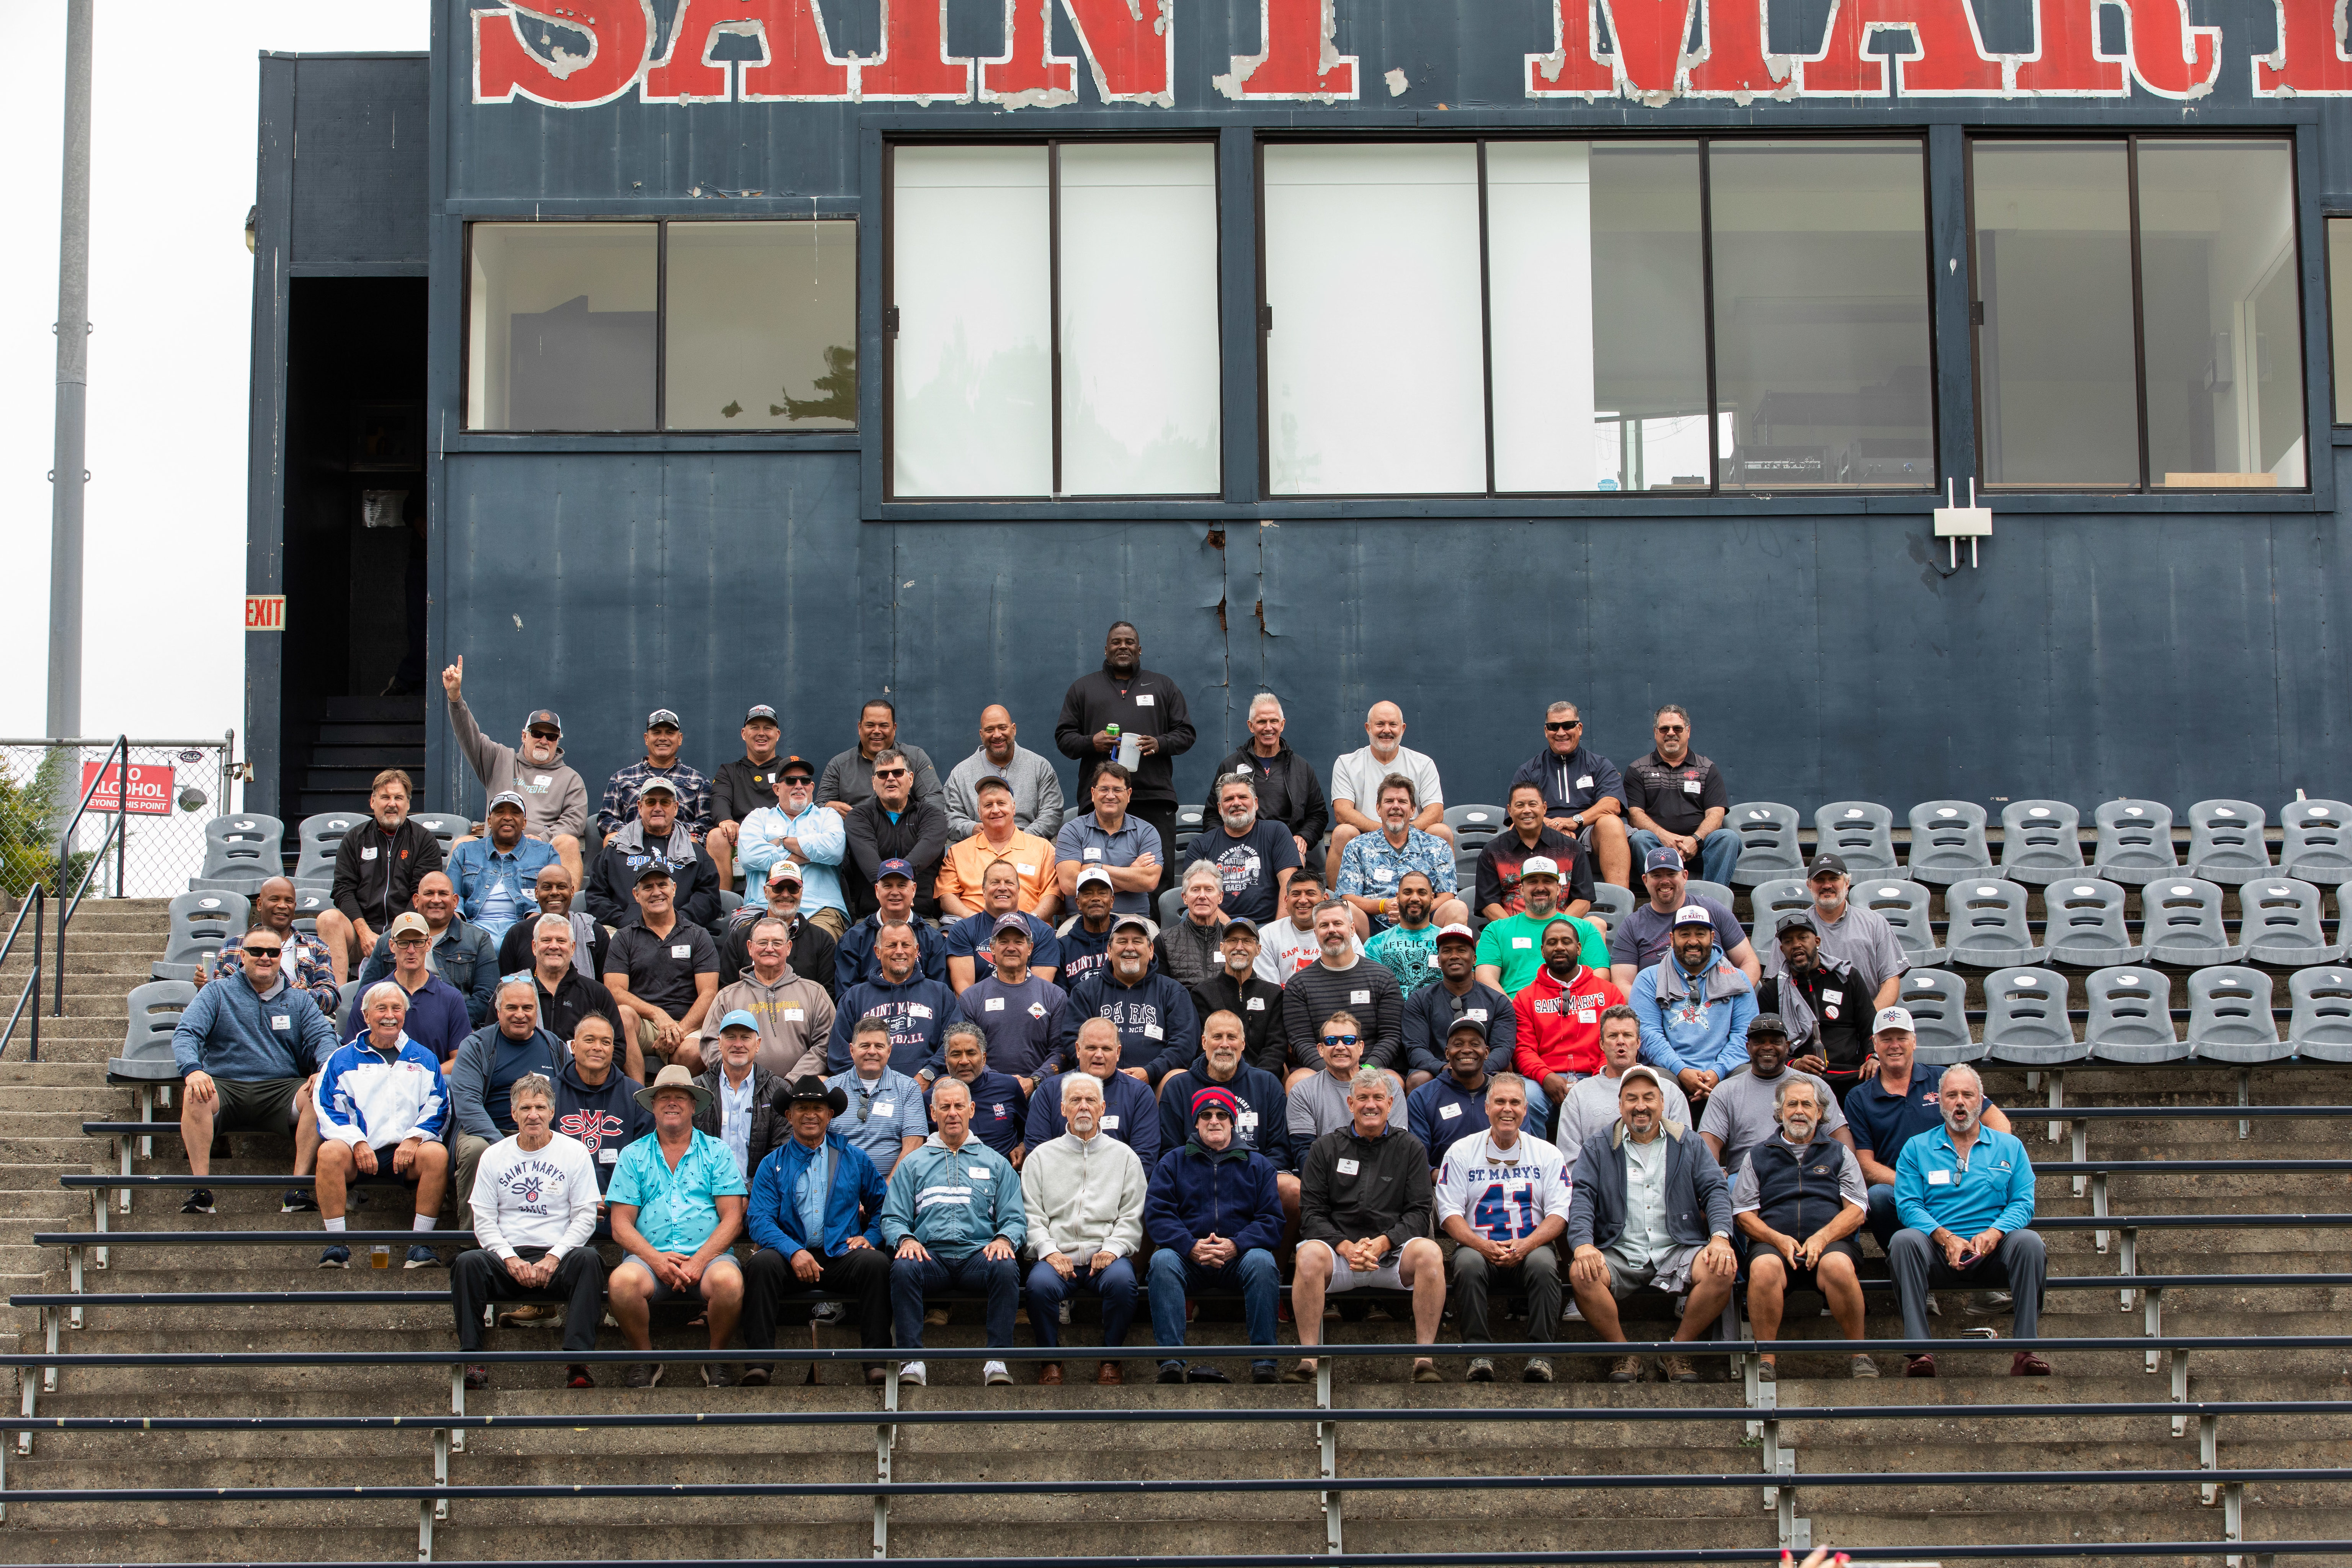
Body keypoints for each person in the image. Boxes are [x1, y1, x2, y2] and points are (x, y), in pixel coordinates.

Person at [1565, 1065, 1738, 1384]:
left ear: (1662, 1102)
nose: (1640, 1106)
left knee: (1722, 1267)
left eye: (1649, 1098)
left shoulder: (1689, 1142)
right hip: (1620, 1249)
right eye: (1631, 1098)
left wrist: (1720, 1237)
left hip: (1678, 1247)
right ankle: (1623, 1352)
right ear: (1620, 1105)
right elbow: (1582, 1198)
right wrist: (1583, 1244)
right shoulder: (1599, 1146)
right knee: (1581, 1273)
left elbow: (1715, 1190)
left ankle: (1678, 1350)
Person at [1889, 1063, 2049, 1378]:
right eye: (1951, 1095)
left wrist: (1995, 1232)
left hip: (1993, 1253)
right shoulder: (1916, 1148)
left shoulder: (2010, 1147)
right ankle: (1921, 1353)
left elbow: (2023, 1203)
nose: (1960, 1102)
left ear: (1980, 1100)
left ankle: (2025, 1351)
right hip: (1938, 1253)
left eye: (1967, 1095)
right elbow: (1908, 1205)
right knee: (1903, 1241)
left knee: (2030, 1242)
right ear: (1940, 1102)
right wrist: (1944, 1237)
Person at [1288, 1068, 1442, 1385]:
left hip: (1392, 1253)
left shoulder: (1411, 1148)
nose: (1369, 1105)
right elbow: (1313, 1213)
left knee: (1430, 1252)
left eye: (1377, 1099)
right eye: (1362, 1098)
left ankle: (1424, 1360)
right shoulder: (1325, 1148)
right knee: (1307, 1256)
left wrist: (1386, 1242)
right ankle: (1308, 1359)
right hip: (1339, 1255)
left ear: (1389, 1104)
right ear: (1350, 1103)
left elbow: (1419, 1211)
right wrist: (1344, 1246)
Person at [451, 1071, 602, 1388]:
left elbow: (586, 1216)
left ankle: (577, 1364)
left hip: (558, 1258)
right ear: (513, 1114)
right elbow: (483, 1218)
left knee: (589, 1259)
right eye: (525, 1109)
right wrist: (509, 1258)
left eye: (539, 1107)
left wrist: (554, 1257)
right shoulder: (494, 1156)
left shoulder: (574, 1152)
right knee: (467, 1263)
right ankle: (473, 1360)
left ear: (552, 1111)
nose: (533, 1115)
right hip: (508, 1259)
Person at [170, 925, 335, 1217]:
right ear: (243, 956)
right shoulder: (217, 992)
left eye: (272, 952)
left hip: (281, 1088)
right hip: (224, 1084)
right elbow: (186, 1033)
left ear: (280, 957)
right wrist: (192, 1069)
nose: (265, 958)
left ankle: (298, 1190)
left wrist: (325, 1068)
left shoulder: (299, 1000)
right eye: (257, 952)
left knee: (319, 1093)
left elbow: (324, 1038)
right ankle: (201, 1189)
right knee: (195, 1093)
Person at [742, 1075, 893, 1387]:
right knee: (761, 1264)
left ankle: (877, 1364)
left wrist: (872, 1237)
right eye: (802, 1108)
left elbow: (886, 1207)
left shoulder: (854, 1158)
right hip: (790, 1258)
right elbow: (758, 1220)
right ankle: (758, 1365)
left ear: (830, 1115)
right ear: (789, 1116)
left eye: (818, 1108)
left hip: (840, 1254)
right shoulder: (772, 1164)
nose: (810, 1114)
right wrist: (793, 1251)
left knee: (876, 1263)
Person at [607, 1064, 751, 1388]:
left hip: (710, 1259)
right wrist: (657, 1261)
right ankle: (644, 1360)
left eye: (680, 1098)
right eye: (664, 1098)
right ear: (653, 1106)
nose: (672, 1103)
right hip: (649, 1259)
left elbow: (733, 1218)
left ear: (694, 1106)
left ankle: (717, 1360)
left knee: (729, 1281)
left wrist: (700, 1261)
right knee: (621, 1283)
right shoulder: (633, 1155)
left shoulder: (717, 1152)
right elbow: (620, 1224)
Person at [882, 1075, 1027, 1388]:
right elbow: (893, 1217)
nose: (952, 1113)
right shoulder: (913, 1164)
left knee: (1006, 1265)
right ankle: (912, 1362)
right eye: (944, 1107)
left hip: (979, 1256)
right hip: (930, 1257)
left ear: (972, 1110)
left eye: (959, 1106)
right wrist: (905, 1239)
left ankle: (997, 1361)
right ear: (932, 1114)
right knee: (903, 1266)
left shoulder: (996, 1163)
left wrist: (1004, 1238)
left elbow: (1015, 1219)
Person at [1731, 1075, 1875, 1382]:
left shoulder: (1839, 1153)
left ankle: (1860, 1354)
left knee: (1838, 1265)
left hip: (1831, 1243)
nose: (1799, 1111)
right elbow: (1743, 1214)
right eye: (1791, 1104)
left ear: (1820, 1112)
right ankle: (1766, 1359)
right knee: (1765, 1268)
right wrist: (1777, 1239)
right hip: (1774, 1243)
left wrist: (1823, 1237)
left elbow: (1858, 1210)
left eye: (1807, 1104)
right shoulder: (1758, 1155)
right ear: (1780, 1112)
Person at [1146, 1085, 1287, 1385]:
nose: (1214, 1121)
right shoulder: (1172, 1162)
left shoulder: (1258, 1165)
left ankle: (1264, 1363)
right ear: (1195, 1122)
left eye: (1222, 1115)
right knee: (1162, 1261)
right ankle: (1171, 1362)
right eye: (1206, 1115)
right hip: (1189, 1259)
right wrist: (1190, 1246)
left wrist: (1238, 1245)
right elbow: (1158, 1216)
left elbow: (1272, 1220)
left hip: (1239, 1259)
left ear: (1233, 1122)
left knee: (1263, 1262)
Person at [1843, 1006, 2012, 1254]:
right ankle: (1913, 1266)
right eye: (1886, 1039)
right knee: (1879, 1196)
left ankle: (1979, 1266)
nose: (1895, 1046)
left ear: (1914, 1041)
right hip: (1901, 1185)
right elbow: (1865, 1163)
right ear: (1875, 1045)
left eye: (1901, 1038)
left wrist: (1979, 1167)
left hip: (1956, 1178)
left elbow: (1998, 1122)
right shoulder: (1859, 1097)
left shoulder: (1943, 1079)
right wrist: (1914, 1183)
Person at [1436, 1073, 1571, 1383]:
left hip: (1531, 1245)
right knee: (1467, 1264)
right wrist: (1482, 1246)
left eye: (1515, 1103)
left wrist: (1526, 1245)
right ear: (1487, 1107)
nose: (1507, 1109)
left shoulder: (1548, 1154)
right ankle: (1478, 1355)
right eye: (1500, 1102)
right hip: (1478, 1246)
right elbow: (1449, 1214)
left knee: (1543, 1265)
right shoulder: (1461, 1152)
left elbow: (1558, 1215)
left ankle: (1541, 1356)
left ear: (1526, 1109)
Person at [313, 982, 452, 1269]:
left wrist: (414, 1139)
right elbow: (327, 1108)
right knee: (328, 1153)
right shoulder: (341, 1059)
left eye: (396, 1008)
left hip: (407, 1153)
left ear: (404, 1014)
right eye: (381, 1009)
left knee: (437, 1155)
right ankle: (337, 1246)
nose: (389, 1015)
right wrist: (356, 1142)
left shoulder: (424, 1057)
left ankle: (420, 1245)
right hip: (357, 1153)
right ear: (366, 1016)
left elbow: (439, 1105)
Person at [1021, 1074, 1148, 1385]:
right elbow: (1030, 1214)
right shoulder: (1040, 1158)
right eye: (1075, 1101)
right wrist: (1048, 1251)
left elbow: (1133, 1214)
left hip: (1104, 1258)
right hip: (1057, 1257)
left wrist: (1114, 1248)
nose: (1083, 1107)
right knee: (1037, 1287)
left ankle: (1111, 1360)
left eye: (1090, 1100)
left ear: (1102, 1107)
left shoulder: (1125, 1157)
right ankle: (1050, 1361)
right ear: (1063, 1108)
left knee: (1123, 1283)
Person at [1055, 621, 1196, 890]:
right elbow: (1064, 739)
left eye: (1129, 642)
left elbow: (1186, 733)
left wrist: (1160, 743)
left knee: (1157, 875)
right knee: (1094, 874)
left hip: (1154, 797)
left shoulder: (1162, 686)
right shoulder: (1083, 688)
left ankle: (1154, 930)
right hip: (1101, 799)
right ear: (1106, 649)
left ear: (1139, 649)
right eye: (1117, 642)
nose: (1123, 647)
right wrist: (1091, 742)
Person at [442, 659, 588, 886]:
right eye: (537, 733)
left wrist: (542, 839)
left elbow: (574, 821)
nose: (543, 740)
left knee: (569, 843)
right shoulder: (499, 759)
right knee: (462, 843)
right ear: (524, 736)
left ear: (557, 741)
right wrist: (455, 698)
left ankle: (567, 914)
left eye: (551, 736)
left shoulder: (570, 779)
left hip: (540, 853)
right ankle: (453, 913)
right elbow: (469, 736)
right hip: (493, 847)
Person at [449, 976, 572, 1235]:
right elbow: (469, 1105)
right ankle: (471, 1241)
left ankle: (555, 1237)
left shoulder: (555, 1047)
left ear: (536, 1011)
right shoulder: (477, 1046)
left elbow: (565, 1097)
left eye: (527, 1008)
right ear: (498, 1010)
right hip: (486, 1131)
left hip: (541, 1131)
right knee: (476, 1152)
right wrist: (502, 1145)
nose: (520, 1015)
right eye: (511, 1008)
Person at [316, 768, 444, 987]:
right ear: (373, 802)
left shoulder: (424, 841)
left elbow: (421, 896)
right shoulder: (354, 838)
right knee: (329, 919)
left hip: (408, 934)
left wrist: (394, 936)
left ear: (408, 804)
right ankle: (335, 1001)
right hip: (361, 934)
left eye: (398, 798)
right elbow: (343, 890)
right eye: (385, 797)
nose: (392, 804)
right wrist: (364, 932)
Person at [1697, 1014, 1854, 1181]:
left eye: (1775, 1042)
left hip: (1805, 1173)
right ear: (1748, 1048)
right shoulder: (1726, 1090)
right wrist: (1712, 1174)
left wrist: (1846, 1175)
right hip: (1747, 1177)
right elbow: (1710, 1140)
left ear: (1787, 1046)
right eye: (1759, 1042)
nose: (1767, 1047)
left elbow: (1840, 1135)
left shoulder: (1814, 1085)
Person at [1155, 1008, 1295, 1195]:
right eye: (1217, 1037)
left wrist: (1246, 1176)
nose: (1225, 1044)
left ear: (1243, 1044)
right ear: (1204, 1042)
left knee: (1292, 1189)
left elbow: (1280, 1149)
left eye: (1232, 1037)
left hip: (1254, 1179)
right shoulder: (1178, 1088)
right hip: (1196, 1181)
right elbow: (1170, 1150)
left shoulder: (1268, 1084)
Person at [603, 864, 721, 1077]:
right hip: (645, 1023)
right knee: (622, 1014)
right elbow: (614, 990)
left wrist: (679, 1031)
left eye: (663, 885)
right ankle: (637, 1099)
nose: (656, 892)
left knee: (696, 1053)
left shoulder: (698, 935)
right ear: (636, 895)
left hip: (687, 1025)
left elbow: (709, 993)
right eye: (648, 887)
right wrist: (657, 1014)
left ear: (674, 888)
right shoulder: (624, 937)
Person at [1630, 907, 1758, 1101]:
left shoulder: (1737, 979)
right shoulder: (1648, 979)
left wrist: (1718, 1072)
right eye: (1685, 934)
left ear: (1712, 937)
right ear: (1672, 939)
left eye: (1700, 934)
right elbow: (1648, 1034)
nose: (1693, 941)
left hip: (1725, 1070)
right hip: (1670, 1070)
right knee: (1656, 1083)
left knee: (1750, 1077)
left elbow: (1745, 1035)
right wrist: (1682, 1071)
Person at [1054, 914, 1199, 1083]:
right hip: (1096, 1081)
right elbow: (1073, 1038)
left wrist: (1150, 1072)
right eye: (1122, 942)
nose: (1130, 948)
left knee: (1175, 1079)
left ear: (1151, 950)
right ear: (1109, 951)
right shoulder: (1086, 992)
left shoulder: (1173, 992)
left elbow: (1184, 1044)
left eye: (1137, 941)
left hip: (1155, 1082)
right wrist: (1107, 1072)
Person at [1200, 693, 1328, 880]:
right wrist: (1224, 844)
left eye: (1274, 721)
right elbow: (1213, 814)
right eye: (1262, 722)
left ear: (1282, 724)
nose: (1269, 728)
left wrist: (1304, 837)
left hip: (1286, 847)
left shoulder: (1302, 768)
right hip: (1240, 849)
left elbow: (1318, 814)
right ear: (1251, 726)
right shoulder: (1229, 766)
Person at [1554, 1006, 1691, 1181]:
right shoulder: (1579, 1095)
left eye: (1628, 1035)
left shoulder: (1668, 1091)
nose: (1621, 1042)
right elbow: (1570, 1160)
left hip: (1660, 1190)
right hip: (1600, 1196)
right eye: (1613, 1036)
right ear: (1602, 1044)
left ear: (1639, 1042)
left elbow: (1684, 1150)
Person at [1760, 854, 1908, 1012]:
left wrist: (1868, 1021)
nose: (1827, 885)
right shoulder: (1791, 930)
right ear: (1809, 886)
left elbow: (1891, 982)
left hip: (1867, 1019)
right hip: (1810, 1021)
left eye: (1834, 878)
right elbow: (1777, 985)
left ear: (1847, 884)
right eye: (1819, 880)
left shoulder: (1876, 923)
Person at [1512, 920, 1626, 1124]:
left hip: (1597, 1075)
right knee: (1526, 1097)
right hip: (1543, 1080)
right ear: (1543, 950)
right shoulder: (1525, 998)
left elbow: (1617, 1042)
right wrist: (1546, 1077)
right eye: (1552, 942)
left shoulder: (1609, 993)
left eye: (1567, 941)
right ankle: (1537, 1157)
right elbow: (1523, 1049)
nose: (1559, 947)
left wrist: (1599, 1079)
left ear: (1579, 948)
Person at [353, 871, 499, 1028]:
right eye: (429, 893)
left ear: (456, 901)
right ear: (416, 900)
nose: (436, 900)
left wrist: (453, 1021)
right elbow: (367, 994)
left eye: (443, 894)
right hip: (396, 1024)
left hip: (455, 1026)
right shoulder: (388, 940)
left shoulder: (478, 940)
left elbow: (487, 996)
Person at [1511, 701, 1632, 889]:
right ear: (1546, 731)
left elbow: (1612, 804)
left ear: (1580, 728)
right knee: (1514, 830)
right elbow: (1518, 814)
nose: (1561, 732)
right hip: (1543, 834)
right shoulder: (1529, 770)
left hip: (1589, 833)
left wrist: (1575, 821)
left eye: (1568, 725)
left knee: (1612, 823)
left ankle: (1619, 902)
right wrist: (1551, 826)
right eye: (1554, 727)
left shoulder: (1599, 764)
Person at [699, 916, 835, 1081]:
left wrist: (791, 1082)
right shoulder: (727, 997)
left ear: (788, 948)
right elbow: (711, 1044)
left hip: (797, 1092)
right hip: (742, 1088)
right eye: (762, 943)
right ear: (750, 948)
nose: (770, 949)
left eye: (777, 943)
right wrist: (744, 1079)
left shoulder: (815, 993)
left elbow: (826, 1045)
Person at [1755, 912, 1879, 1092]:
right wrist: (1794, 1063)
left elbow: (1870, 1027)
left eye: (1803, 938)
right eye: (1788, 941)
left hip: (1854, 1075)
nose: (1796, 944)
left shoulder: (1848, 977)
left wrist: (1873, 1058)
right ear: (1782, 950)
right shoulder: (1772, 991)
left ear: (1817, 942)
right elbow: (1767, 1043)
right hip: (1799, 1080)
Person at [1326, 701, 1450, 878]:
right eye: (1380, 724)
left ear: (1403, 729)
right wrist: (1383, 832)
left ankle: (1443, 899)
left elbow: (1436, 812)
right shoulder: (1346, 763)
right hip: (1365, 838)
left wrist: (1404, 833)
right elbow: (1342, 812)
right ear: (1368, 728)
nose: (1387, 730)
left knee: (1442, 832)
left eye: (1393, 725)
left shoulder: (1423, 763)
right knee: (1342, 833)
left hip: (1414, 836)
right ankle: (1339, 904)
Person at [1607, 848, 1759, 991]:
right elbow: (1623, 983)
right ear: (1645, 880)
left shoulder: (1713, 910)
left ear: (1685, 876)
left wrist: (1735, 995)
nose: (1665, 881)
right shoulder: (1632, 925)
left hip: (1718, 1001)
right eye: (1657, 875)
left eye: (1672, 874)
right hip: (1659, 1005)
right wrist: (1655, 1009)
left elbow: (1748, 961)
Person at [586, 777, 724, 933]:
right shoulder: (615, 850)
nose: (658, 808)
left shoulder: (695, 853)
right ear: (640, 807)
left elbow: (709, 898)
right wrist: (623, 920)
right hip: (622, 931)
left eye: (665, 802)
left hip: (681, 931)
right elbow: (596, 896)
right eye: (651, 802)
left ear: (676, 807)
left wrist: (678, 922)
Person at [1282, 901, 1402, 1079]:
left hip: (1372, 1070)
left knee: (1395, 1081)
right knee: (1297, 1080)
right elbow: (1302, 1042)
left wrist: (1367, 1070)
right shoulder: (1298, 985)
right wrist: (1331, 1073)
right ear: (1316, 934)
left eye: (1338, 924)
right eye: (1324, 925)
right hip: (1321, 1073)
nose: (1332, 930)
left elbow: (1391, 1036)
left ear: (1352, 929)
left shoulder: (1382, 977)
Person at [738, 754, 853, 939]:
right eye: (791, 780)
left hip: (819, 909)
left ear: (812, 787)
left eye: (805, 780)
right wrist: (811, 853)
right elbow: (751, 857)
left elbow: (834, 851)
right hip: (763, 907)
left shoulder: (828, 816)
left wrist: (783, 841)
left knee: (816, 947)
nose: (799, 785)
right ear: (776, 789)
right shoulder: (757, 817)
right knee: (759, 949)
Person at [1338, 775, 1468, 938]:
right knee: (1345, 908)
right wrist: (1383, 906)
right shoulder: (1358, 846)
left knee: (1457, 907)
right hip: (1374, 926)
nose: (1396, 807)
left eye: (1403, 802)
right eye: (1389, 801)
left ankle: (1441, 961)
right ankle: (1362, 963)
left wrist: (1414, 912)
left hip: (1426, 923)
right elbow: (1348, 896)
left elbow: (1447, 895)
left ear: (1413, 810)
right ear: (1378, 808)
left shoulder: (1437, 846)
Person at [1622, 706, 1737, 888]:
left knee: (1728, 838)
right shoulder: (1638, 769)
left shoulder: (1707, 769)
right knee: (1640, 839)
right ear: (1655, 732)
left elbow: (1716, 814)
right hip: (1658, 849)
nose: (1671, 733)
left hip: (1700, 849)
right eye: (1664, 729)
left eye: (1677, 728)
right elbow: (1634, 816)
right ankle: (1663, 897)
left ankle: (1714, 902)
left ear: (1688, 731)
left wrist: (1696, 840)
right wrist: (1665, 838)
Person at [828, 922, 962, 1077]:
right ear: (878, 952)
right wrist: (874, 1082)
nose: (899, 951)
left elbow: (954, 1043)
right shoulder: (855, 997)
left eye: (906, 945)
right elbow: (839, 1055)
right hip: (869, 1084)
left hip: (929, 1084)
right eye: (891, 945)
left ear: (916, 950)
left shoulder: (941, 994)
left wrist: (928, 1075)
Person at [551, 1012, 651, 1215]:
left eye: (606, 1042)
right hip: (560, 1206)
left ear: (613, 1049)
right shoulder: (549, 1094)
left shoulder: (635, 1097)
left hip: (623, 1205)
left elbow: (647, 1161)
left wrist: (616, 1196)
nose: (598, 1047)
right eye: (590, 1040)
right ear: (573, 1046)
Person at [1027, 1017, 1162, 1167]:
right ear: (1078, 1050)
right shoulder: (1050, 1091)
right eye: (1091, 1048)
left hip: (1119, 1188)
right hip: (1061, 1185)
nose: (1099, 1055)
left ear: (1118, 1053)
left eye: (1106, 1049)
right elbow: (1037, 1155)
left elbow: (1144, 1161)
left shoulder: (1140, 1094)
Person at [341, 911, 472, 1064]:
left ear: (429, 944)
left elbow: (459, 1060)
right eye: (403, 943)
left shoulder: (451, 998)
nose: (411, 950)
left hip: (430, 1084)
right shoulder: (369, 995)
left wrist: (421, 1077)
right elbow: (351, 1054)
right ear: (391, 946)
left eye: (418, 942)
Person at [199, 875, 340, 1017]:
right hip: (247, 1023)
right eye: (275, 899)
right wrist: (204, 986)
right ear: (260, 904)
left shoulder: (315, 946)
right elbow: (217, 1001)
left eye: (289, 901)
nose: (283, 906)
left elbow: (332, 997)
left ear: (295, 907)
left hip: (300, 1023)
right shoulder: (234, 946)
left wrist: (304, 996)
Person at [955, 914, 1067, 1087]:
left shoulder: (1054, 995)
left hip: (1041, 1091)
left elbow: (1060, 1051)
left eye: (1019, 942)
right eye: (1004, 942)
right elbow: (969, 1052)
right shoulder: (971, 998)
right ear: (992, 948)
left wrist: (1034, 1081)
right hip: (987, 1089)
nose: (1011, 948)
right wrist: (1000, 1083)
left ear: (1030, 948)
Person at [1473, 859, 1608, 998]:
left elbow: (1600, 975)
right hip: (1514, 1011)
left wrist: (1573, 1008)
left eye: (1547, 881)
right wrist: (1514, 1011)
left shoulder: (1585, 929)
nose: (1540, 888)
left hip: (1572, 1007)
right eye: (1532, 882)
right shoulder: (1495, 930)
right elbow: (1486, 979)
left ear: (1558, 889)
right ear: (1522, 889)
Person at [844, 751, 952, 924]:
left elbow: (927, 848)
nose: (891, 778)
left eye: (898, 772)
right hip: (871, 919)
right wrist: (901, 889)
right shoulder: (858, 817)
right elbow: (869, 862)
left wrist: (902, 892)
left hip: (923, 919)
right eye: (883, 774)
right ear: (873, 782)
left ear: (911, 778)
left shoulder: (932, 815)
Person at [1401, 925, 1515, 1089]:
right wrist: (1443, 1068)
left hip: (1484, 1071)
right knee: (1419, 1078)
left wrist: (1476, 1069)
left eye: (1461, 951)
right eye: (1447, 951)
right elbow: (1415, 1047)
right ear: (1439, 961)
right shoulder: (1419, 1000)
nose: (1454, 956)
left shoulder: (1498, 1001)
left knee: (1506, 1078)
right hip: (1437, 1072)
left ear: (1474, 959)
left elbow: (1503, 1048)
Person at [1181, 772, 1299, 927]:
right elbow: (1194, 893)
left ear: (1256, 803)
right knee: (1189, 914)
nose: (1236, 803)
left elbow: (1289, 884)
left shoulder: (1276, 832)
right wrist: (1235, 932)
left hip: (1267, 926)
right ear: (1219, 807)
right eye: (1229, 799)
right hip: (1216, 925)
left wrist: (1277, 933)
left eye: (1243, 797)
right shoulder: (1201, 844)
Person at [1285, 1015, 1405, 1162]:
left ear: (1361, 1047)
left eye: (1349, 1040)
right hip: (1326, 1176)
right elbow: (1304, 1151)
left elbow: (1398, 1144)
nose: (1340, 1046)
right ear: (1321, 1049)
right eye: (1331, 1041)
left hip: (1381, 1173)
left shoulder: (1390, 1086)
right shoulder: (1303, 1091)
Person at [937, 777, 1060, 920]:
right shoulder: (958, 852)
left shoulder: (1043, 848)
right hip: (973, 932)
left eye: (1001, 803)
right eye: (988, 805)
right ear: (979, 812)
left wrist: (1029, 922)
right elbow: (946, 896)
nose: (996, 810)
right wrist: (977, 923)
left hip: (1029, 932)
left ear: (1014, 807)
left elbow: (1053, 895)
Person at [446, 792, 559, 945]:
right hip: (474, 927)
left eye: (515, 813)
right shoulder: (465, 852)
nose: (507, 817)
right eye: (500, 812)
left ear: (524, 823)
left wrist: (535, 922)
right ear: (490, 822)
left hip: (526, 928)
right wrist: (460, 929)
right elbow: (452, 897)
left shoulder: (546, 853)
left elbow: (555, 896)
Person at [1052, 762, 1162, 918]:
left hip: (1134, 920)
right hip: (1082, 921)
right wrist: (1131, 874)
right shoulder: (1072, 830)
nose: (1110, 796)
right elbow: (1069, 884)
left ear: (1129, 794)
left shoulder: (1146, 832)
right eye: (1104, 789)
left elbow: (1150, 881)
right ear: (1093, 793)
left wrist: (1094, 868)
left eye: (1118, 790)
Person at [1476, 782, 1597, 925]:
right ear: (1509, 810)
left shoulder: (1572, 848)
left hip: (1561, 932)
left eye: (1533, 805)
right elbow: (1488, 903)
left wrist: (1556, 929)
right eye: (1520, 805)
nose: (1527, 811)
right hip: (1514, 932)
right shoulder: (1493, 852)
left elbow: (1583, 900)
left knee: (1597, 923)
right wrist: (1514, 929)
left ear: (1544, 808)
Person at [944, 705, 1067, 844]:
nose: (997, 735)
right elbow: (950, 818)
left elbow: (1052, 813)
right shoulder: (960, 774)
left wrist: (1022, 839)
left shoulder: (1039, 767)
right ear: (981, 734)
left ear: (1014, 729)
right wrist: (972, 829)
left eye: (1003, 728)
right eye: (989, 730)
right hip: (977, 847)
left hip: (1029, 846)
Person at [829, 1016, 931, 1180]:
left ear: (889, 1051)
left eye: (879, 1046)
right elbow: (817, 1145)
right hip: (839, 1189)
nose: (872, 1051)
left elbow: (914, 1146)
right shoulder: (831, 1089)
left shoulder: (908, 1089)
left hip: (890, 1189)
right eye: (865, 1046)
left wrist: (886, 1189)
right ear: (852, 1050)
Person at [717, 861, 839, 996]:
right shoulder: (738, 939)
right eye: (778, 888)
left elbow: (828, 995)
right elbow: (727, 993)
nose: (786, 895)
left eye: (793, 888)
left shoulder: (822, 941)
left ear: (801, 892)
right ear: (766, 892)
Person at [595, 708, 713, 845]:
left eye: (670, 733)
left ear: (680, 739)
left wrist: (670, 830)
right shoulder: (621, 778)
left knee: (694, 843)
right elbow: (606, 820)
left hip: (680, 849)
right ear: (647, 738)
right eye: (657, 733)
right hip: (632, 847)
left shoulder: (699, 781)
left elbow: (707, 823)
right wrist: (640, 831)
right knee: (611, 839)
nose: (663, 738)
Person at [696, 1010, 788, 1183]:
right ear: (719, 1044)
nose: (738, 1044)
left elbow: (781, 1152)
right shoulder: (697, 1090)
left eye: (745, 1038)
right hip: (704, 1197)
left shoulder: (778, 1091)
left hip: (759, 1197)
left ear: (758, 1044)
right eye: (731, 1037)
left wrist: (751, 1194)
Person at [943, 861, 1061, 993]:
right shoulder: (963, 931)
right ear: (984, 891)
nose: (1003, 888)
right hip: (979, 1010)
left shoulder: (1042, 932)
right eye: (995, 883)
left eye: (1010, 883)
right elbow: (965, 994)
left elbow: (1040, 992)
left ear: (1018, 890)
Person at [817, 697, 945, 818]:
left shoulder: (915, 757)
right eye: (870, 725)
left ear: (894, 728)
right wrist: (829, 807)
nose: (877, 731)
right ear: (860, 728)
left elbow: (934, 801)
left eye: (884, 726)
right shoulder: (839, 765)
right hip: (856, 836)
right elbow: (819, 807)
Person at [706, 704, 788, 891]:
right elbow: (720, 799)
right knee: (717, 836)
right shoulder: (729, 771)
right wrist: (725, 820)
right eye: (755, 728)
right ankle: (724, 909)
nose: (762, 734)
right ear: (744, 733)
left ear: (778, 735)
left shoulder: (789, 770)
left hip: (779, 837)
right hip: (740, 839)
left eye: (768, 728)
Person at [835, 862, 951, 991]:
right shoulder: (853, 939)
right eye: (888, 886)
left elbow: (940, 996)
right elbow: (846, 999)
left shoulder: (933, 940)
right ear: (877, 891)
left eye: (902, 886)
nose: (895, 892)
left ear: (913, 890)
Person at [1191, 918, 1285, 1077]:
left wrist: (1257, 1079)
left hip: (1260, 1079)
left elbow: (1276, 1047)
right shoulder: (1202, 994)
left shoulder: (1273, 994)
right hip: (1217, 1077)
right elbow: (1202, 1047)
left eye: (1248, 941)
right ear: (1222, 948)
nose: (1239, 947)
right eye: (1232, 941)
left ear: (1258, 949)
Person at [1408, 1016, 1505, 1160]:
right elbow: (1418, 1161)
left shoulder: (1506, 1095)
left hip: (1499, 1179)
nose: (1467, 1050)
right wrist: (1444, 1177)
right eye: (1458, 1044)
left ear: (1486, 1053)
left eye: (1475, 1044)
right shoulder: (1422, 1097)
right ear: (1447, 1053)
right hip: (1442, 1180)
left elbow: (1523, 1148)